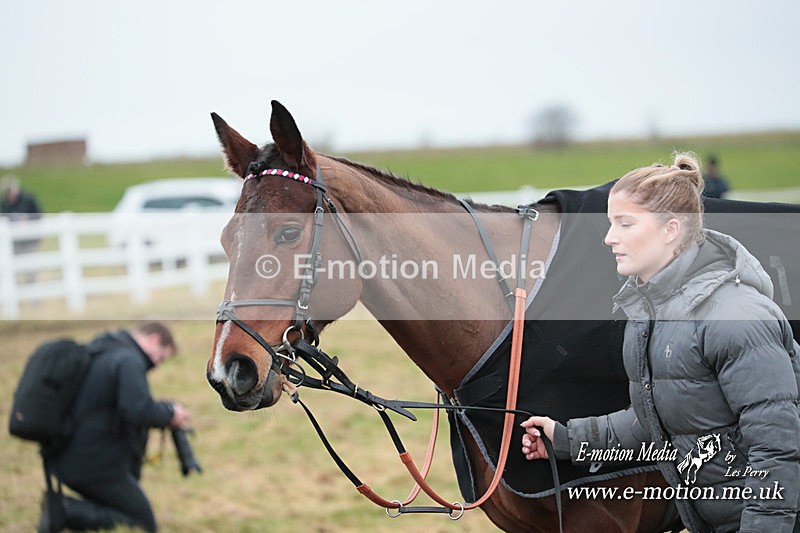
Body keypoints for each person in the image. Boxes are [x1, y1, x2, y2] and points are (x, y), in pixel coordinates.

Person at [520, 153, 800, 532]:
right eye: (609, 224)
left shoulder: (735, 317)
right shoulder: (650, 319)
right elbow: (655, 419)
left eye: (625, 224)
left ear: (671, 229)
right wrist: (566, 438)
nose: (609, 237)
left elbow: (779, 448)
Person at [39, 321, 191, 533]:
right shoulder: (128, 360)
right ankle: (64, 510)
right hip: (93, 464)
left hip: (67, 455)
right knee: (142, 523)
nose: (157, 363)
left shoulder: (102, 350)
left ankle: (67, 511)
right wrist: (171, 413)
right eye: (161, 356)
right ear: (153, 339)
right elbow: (137, 410)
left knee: (117, 509)